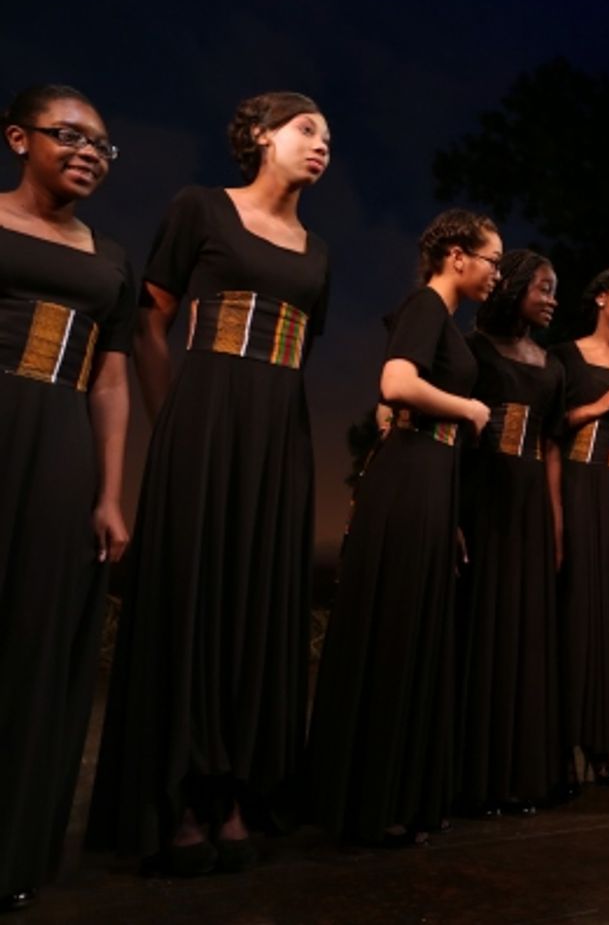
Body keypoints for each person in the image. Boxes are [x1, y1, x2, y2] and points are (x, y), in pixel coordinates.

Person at [90, 92, 332, 875]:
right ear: (260, 135)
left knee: (258, 604)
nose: (322, 144)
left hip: (280, 437)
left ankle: (233, 791)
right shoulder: (200, 208)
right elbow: (148, 323)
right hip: (203, 422)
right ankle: (179, 799)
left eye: (328, 137)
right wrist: (176, 424)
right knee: (195, 598)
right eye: (306, 129)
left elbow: (297, 355)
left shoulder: (318, 251)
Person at [305, 210, 498, 846]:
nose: (496, 274)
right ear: (457, 255)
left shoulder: (443, 318)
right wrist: (469, 407)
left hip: (429, 478)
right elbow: (395, 383)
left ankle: (397, 793)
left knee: (412, 628)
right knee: (395, 624)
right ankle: (369, 800)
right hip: (413, 473)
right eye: (492, 260)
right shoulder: (426, 306)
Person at [0, 84, 134, 914]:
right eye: (70, 136)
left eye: (102, 146)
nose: (89, 153)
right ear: (18, 138)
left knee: (35, 639)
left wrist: (111, 492)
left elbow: (112, 381)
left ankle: (11, 847)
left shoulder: (111, 257)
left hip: (62, 447)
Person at [457, 249, 568, 815]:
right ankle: (475, 780)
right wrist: (453, 513)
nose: (552, 299)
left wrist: (556, 523)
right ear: (515, 286)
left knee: (525, 634)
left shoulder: (551, 364)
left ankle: (520, 778)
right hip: (482, 493)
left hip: (529, 502)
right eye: (543, 287)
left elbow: (551, 446)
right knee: (481, 629)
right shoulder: (471, 349)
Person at [553, 267, 609, 785]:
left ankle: (606, 746)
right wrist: (601, 405)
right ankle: (564, 745)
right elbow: (551, 425)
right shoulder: (566, 357)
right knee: (578, 613)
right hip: (579, 485)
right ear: (600, 297)